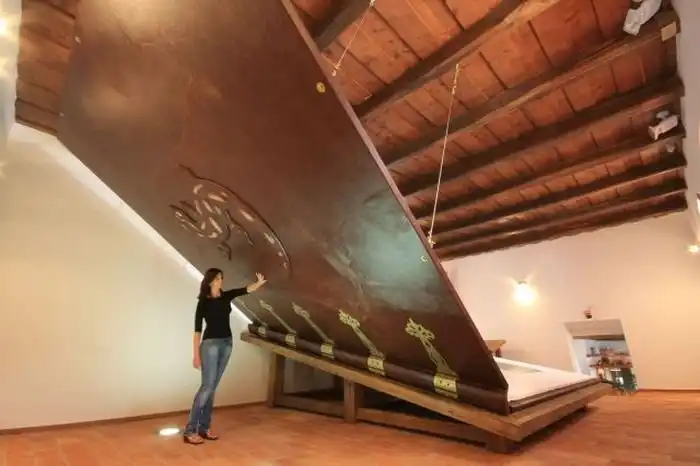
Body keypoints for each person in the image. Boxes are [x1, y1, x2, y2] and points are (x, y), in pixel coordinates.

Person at [183, 268, 267, 445]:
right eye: (217, 278)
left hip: (226, 343)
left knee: (212, 388)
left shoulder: (226, 296)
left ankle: (204, 428)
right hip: (210, 345)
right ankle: (190, 430)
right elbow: (197, 330)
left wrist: (258, 283)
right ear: (210, 281)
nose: (220, 281)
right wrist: (196, 355)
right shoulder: (203, 302)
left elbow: (245, 290)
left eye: (221, 278)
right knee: (207, 387)